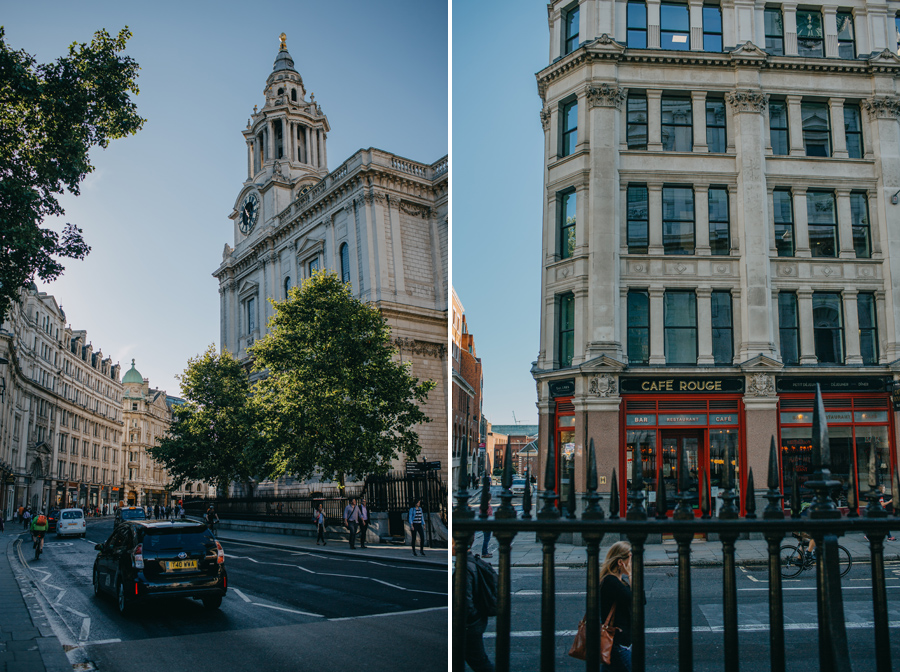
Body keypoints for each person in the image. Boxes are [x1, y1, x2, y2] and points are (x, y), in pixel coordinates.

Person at [455, 537, 494, 672]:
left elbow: (465, 603)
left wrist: (465, 624)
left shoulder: (465, 567)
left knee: (481, 663)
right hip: (477, 622)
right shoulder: (474, 561)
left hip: (468, 627)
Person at [599, 541, 633, 672]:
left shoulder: (618, 581)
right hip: (617, 643)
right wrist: (630, 574)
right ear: (620, 562)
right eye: (630, 559)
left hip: (618, 642)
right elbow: (635, 600)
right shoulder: (611, 582)